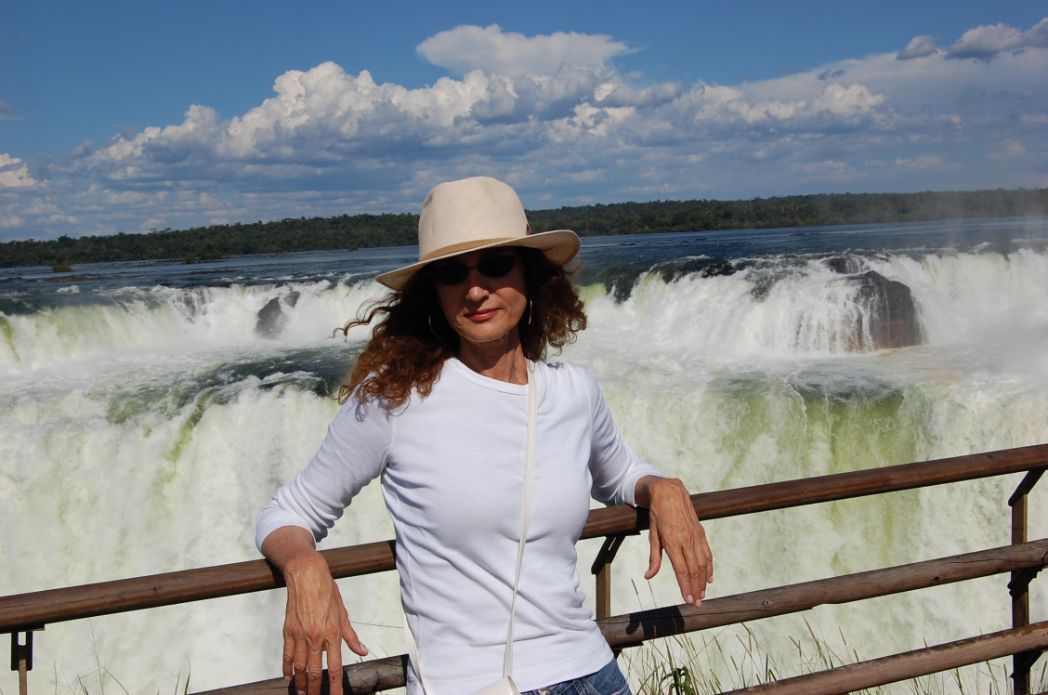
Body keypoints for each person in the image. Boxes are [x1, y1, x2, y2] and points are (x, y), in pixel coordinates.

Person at [255, 176, 713, 695]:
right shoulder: (394, 400)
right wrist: (304, 565)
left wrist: (661, 488)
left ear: (528, 275)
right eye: (453, 273)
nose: (475, 290)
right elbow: (288, 513)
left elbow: (619, 474)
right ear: (435, 292)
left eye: (495, 265)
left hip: (590, 674)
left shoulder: (574, 392)